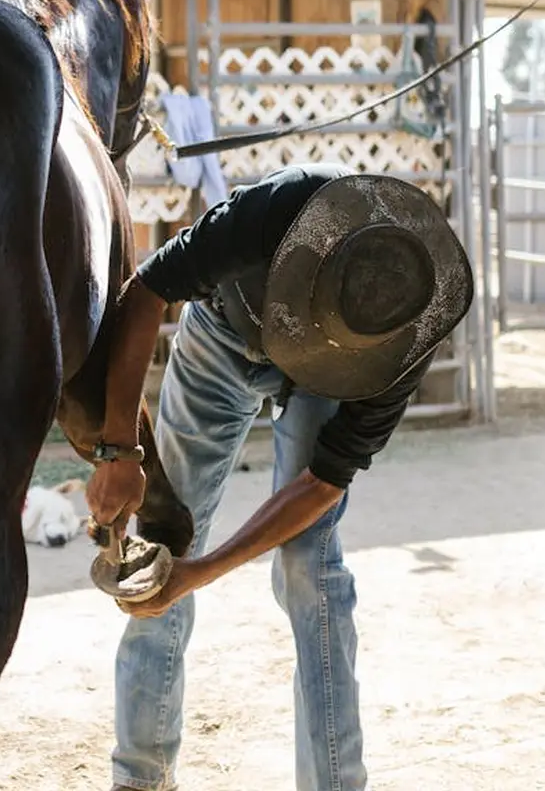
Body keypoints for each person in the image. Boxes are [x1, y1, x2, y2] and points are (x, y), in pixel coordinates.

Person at [83, 164, 474, 791]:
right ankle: (140, 776)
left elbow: (322, 484)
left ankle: (335, 784)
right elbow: (147, 290)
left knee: (309, 570)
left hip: (335, 384)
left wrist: (202, 577)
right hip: (224, 338)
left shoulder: (407, 330)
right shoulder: (273, 211)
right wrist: (118, 449)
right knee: (164, 541)